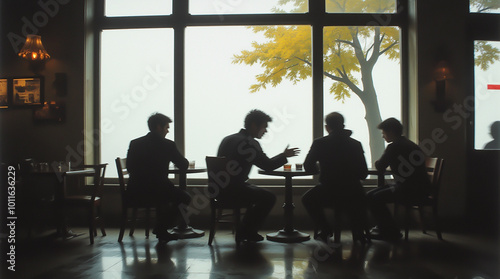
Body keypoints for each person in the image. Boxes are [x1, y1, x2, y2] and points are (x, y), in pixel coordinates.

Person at [217, 109, 299, 242]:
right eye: (264, 127)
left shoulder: (227, 139)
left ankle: (245, 230)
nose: (265, 131)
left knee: (258, 193)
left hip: (219, 190)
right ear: (254, 125)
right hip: (235, 190)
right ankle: (247, 231)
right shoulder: (249, 143)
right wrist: (284, 155)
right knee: (269, 197)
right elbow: (268, 165)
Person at [301, 112, 368, 242]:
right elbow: (363, 173)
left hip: (329, 191)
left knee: (307, 199)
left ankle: (325, 229)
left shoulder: (320, 143)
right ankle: (358, 232)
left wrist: (318, 170)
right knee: (355, 199)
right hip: (354, 192)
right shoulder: (355, 144)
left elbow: (308, 165)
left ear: (327, 127)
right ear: (343, 125)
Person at [126, 113, 191, 242]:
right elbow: (183, 165)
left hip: (135, 191)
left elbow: (129, 167)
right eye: (166, 127)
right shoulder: (167, 145)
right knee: (184, 197)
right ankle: (162, 228)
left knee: (167, 194)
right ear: (158, 127)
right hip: (158, 190)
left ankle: (161, 229)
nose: (168, 131)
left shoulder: (135, 143)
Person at [367, 117, 431, 240]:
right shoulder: (410, 144)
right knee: (372, 196)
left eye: (383, 133)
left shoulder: (394, 147)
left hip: (408, 189)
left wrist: (377, 162)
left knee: (373, 198)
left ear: (390, 132)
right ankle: (385, 228)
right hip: (420, 188)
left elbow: (380, 166)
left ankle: (390, 231)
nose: (383, 136)